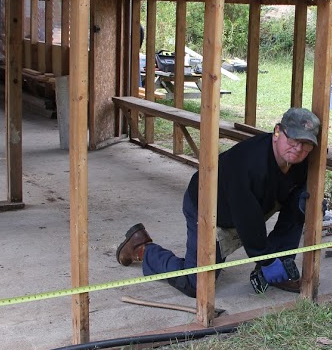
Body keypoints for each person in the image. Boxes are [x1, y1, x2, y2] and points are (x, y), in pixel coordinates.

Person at [115, 107, 321, 298]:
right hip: (208, 208)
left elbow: (289, 204)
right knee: (196, 284)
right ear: (277, 132)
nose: (298, 149)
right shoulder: (249, 164)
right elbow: (248, 222)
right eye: (293, 140)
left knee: (300, 204)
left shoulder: (299, 163)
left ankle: (278, 267)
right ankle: (142, 248)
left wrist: (307, 204)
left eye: (306, 144)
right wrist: (265, 259)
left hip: (249, 206)